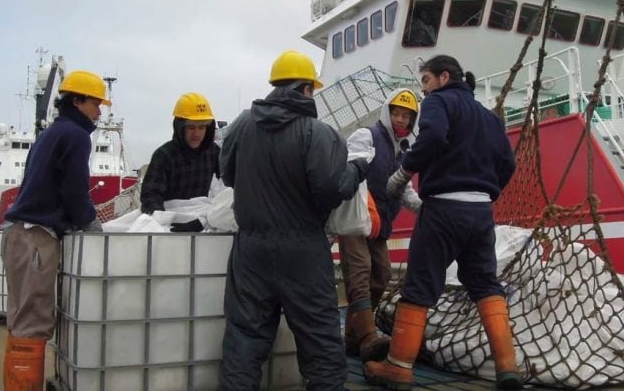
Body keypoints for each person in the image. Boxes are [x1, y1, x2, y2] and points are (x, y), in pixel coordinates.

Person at [363, 55, 520, 390]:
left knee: (420, 285)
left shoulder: (439, 102)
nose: (423, 89)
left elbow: (432, 138)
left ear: (443, 78)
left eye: (425, 80)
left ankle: (398, 368)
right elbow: (508, 163)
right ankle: (508, 367)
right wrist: (485, 192)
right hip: (480, 214)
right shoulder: (490, 118)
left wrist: (403, 172)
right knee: (485, 284)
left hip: (443, 210)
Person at [218, 50, 368, 390]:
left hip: (251, 250)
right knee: (319, 341)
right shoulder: (318, 133)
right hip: (303, 250)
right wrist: (357, 169)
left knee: (244, 337)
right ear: (305, 90)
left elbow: (227, 175)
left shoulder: (242, 124)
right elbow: (332, 187)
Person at [1, 70, 109, 390]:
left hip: (20, 235)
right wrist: (91, 224)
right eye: (95, 103)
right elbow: (74, 190)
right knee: (32, 324)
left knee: (21, 322)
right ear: (77, 101)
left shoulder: (51, 134)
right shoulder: (75, 136)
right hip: (36, 238)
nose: (99, 111)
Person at [339, 88, 422, 363]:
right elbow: (350, 168)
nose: (400, 119)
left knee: (383, 274)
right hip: (355, 218)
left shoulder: (404, 150)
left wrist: (427, 208)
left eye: (406, 116)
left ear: (412, 120)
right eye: (396, 113)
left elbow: (406, 191)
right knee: (360, 271)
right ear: (387, 112)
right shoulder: (366, 136)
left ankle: (351, 339)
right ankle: (367, 337)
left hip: (378, 224)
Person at [140, 92, 220, 228]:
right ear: (179, 127)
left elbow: (229, 189)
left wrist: (204, 221)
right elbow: (151, 195)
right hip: (169, 223)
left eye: (201, 127)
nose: (197, 133)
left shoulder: (214, 152)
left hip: (202, 222)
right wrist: (165, 221)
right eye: (191, 127)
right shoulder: (164, 155)